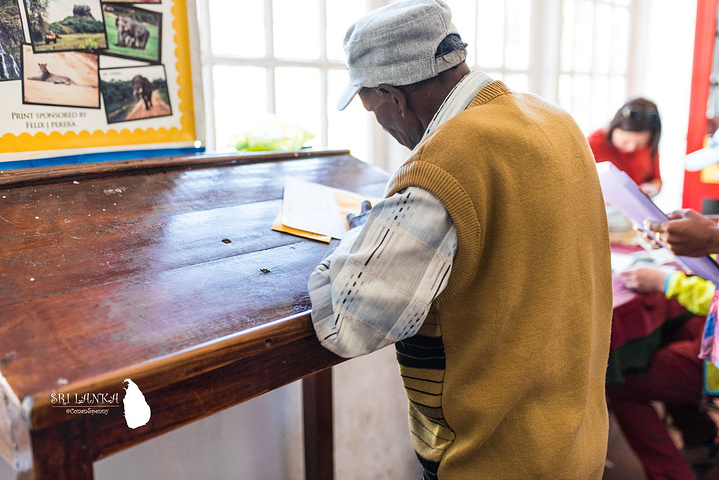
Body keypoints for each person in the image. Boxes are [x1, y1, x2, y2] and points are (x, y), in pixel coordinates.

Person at [307, 1, 613, 478]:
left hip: (495, 461)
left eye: (372, 108)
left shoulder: (447, 161)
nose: (382, 123)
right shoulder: (557, 122)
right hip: (576, 444)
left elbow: (348, 322)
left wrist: (353, 245)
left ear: (394, 97)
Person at [616, 266, 718, 479]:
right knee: (667, 337)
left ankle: (673, 475)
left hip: (715, 355)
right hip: (710, 327)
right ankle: (703, 444)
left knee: (620, 384)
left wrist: (669, 282)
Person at [588, 98, 663, 196]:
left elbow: (656, 180)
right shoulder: (593, 144)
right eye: (625, 141)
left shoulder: (649, 146)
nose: (631, 148)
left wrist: (649, 189)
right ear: (612, 128)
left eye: (640, 144)